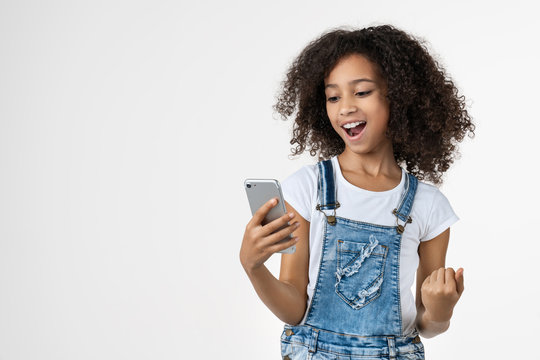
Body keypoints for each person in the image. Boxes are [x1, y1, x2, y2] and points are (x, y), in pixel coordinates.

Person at [239, 24, 475, 360]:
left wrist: (440, 310)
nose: (345, 107)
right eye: (333, 97)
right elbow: (294, 309)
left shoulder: (429, 206)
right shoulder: (307, 188)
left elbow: (428, 324)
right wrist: (254, 267)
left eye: (361, 92)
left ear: (400, 96)